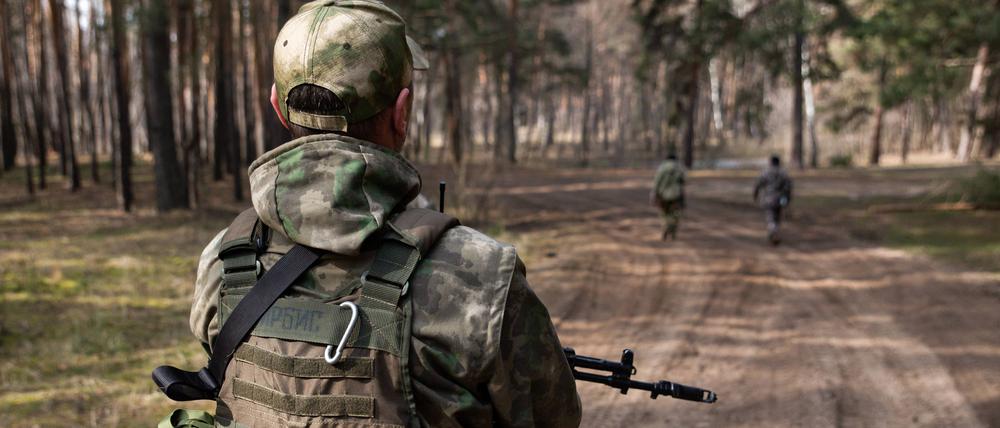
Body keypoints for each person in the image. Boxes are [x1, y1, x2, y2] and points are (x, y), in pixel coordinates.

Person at [186, 1, 581, 427]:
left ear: (277, 108)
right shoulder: (482, 278)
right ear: (402, 113)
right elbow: (552, 418)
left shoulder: (225, 264)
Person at [753, 155, 793, 245]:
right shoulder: (783, 173)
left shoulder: (765, 172)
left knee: (770, 216)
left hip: (768, 199)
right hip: (780, 199)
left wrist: (755, 195)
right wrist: (788, 199)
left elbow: (758, 185)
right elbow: (788, 187)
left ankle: (773, 231)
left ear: (770, 162)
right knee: (777, 216)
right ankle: (775, 230)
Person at [650, 153, 686, 240]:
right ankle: (673, 231)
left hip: (663, 195)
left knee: (664, 213)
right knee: (675, 214)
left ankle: (666, 227)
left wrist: (654, 194)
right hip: (677, 195)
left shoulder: (662, 168)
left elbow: (656, 182)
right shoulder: (680, 168)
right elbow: (685, 181)